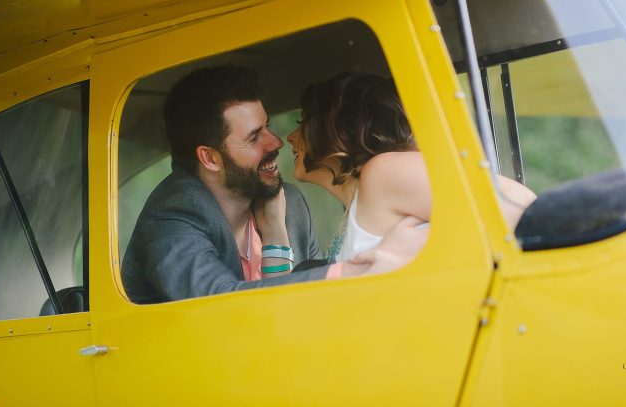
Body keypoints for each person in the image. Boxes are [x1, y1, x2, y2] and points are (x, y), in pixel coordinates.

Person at [121, 64, 422, 304]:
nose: (277, 141)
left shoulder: (289, 203)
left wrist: (276, 230)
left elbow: (292, 304)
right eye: (254, 137)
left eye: (269, 126)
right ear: (210, 158)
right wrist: (351, 273)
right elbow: (217, 303)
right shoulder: (173, 214)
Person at [287, 72, 536, 263]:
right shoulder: (363, 200)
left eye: (303, 122)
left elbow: (520, 205)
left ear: (338, 129)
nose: (290, 136)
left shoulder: (383, 173)